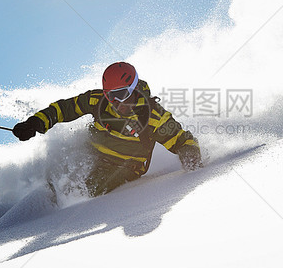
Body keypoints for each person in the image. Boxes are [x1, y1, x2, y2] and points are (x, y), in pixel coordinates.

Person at [12, 62, 202, 196]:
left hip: (124, 166)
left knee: (89, 188)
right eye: (111, 96)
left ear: (135, 88)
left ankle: (63, 212)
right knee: (56, 176)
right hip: (92, 151)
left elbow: (181, 139)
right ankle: (41, 199)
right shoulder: (97, 101)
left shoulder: (153, 116)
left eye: (122, 94)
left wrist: (189, 152)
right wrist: (35, 123)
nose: (117, 102)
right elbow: (63, 109)